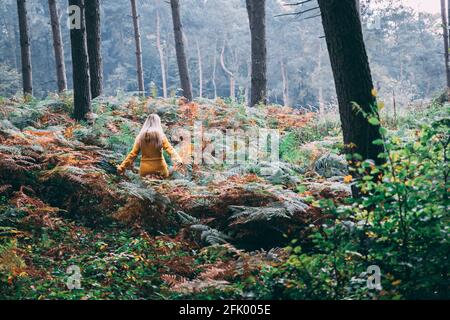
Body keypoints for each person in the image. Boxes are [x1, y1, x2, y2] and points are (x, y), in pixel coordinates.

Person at [117, 114, 183, 178]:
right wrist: (178, 160)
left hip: (145, 169)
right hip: (160, 168)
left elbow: (133, 154)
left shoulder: (140, 137)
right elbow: (170, 149)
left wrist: (121, 167)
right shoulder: (160, 136)